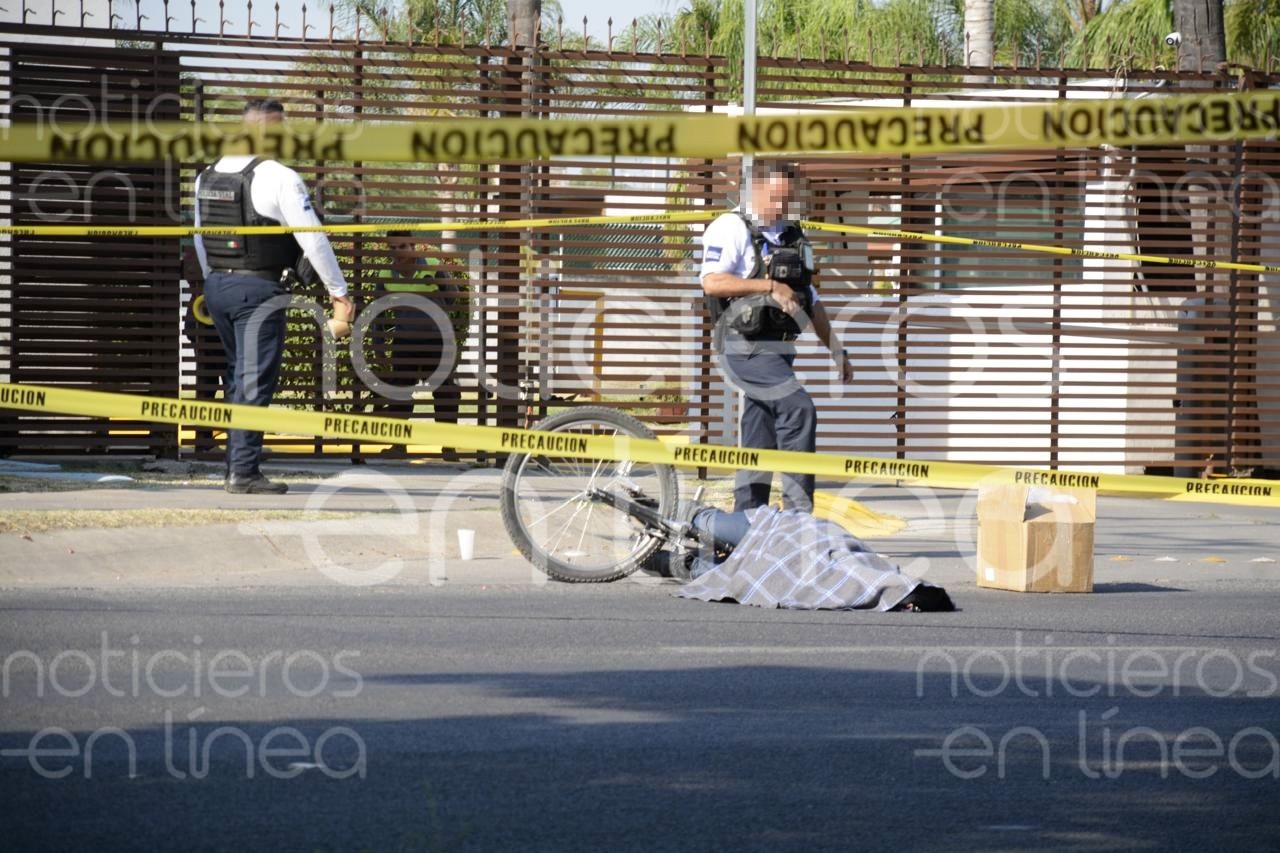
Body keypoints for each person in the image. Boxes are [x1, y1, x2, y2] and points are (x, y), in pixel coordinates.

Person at [194, 98, 354, 494]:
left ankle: (236, 466)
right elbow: (313, 240)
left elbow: (199, 238)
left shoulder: (207, 176)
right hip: (257, 289)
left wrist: (210, 281)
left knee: (237, 378)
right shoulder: (280, 176)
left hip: (217, 286)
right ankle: (243, 473)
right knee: (254, 381)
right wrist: (339, 293)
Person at [700, 158, 855, 514]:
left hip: (778, 352)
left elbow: (811, 302)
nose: (783, 205)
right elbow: (712, 282)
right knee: (798, 409)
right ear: (755, 190)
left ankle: (744, 524)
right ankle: (799, 519)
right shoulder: (731, 227)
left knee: (760, 433)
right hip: (743, 346)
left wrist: (837, 352)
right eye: (776, 197)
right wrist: (768, 286)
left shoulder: (792, 235)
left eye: (788, 197)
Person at [666, 502, 955, 613]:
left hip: (782, 534)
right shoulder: (873, 583)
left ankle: (668, 524)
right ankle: (667, 547)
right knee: (700, 560)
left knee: (701, 525)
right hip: (783, 537)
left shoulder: (876, 577)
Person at [369, 231, 465, 460]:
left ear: (413, 246)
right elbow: (378, 314)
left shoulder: (432, 266)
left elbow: (454, 297)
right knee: (399, 395)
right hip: (405, 343)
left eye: (402, 247)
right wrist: (378, 344)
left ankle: (449, 447)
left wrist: (438, 283)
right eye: (392, 248)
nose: (397, 253)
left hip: (437, 341)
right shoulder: (385, 273)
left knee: (445, 395)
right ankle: (399, 446)